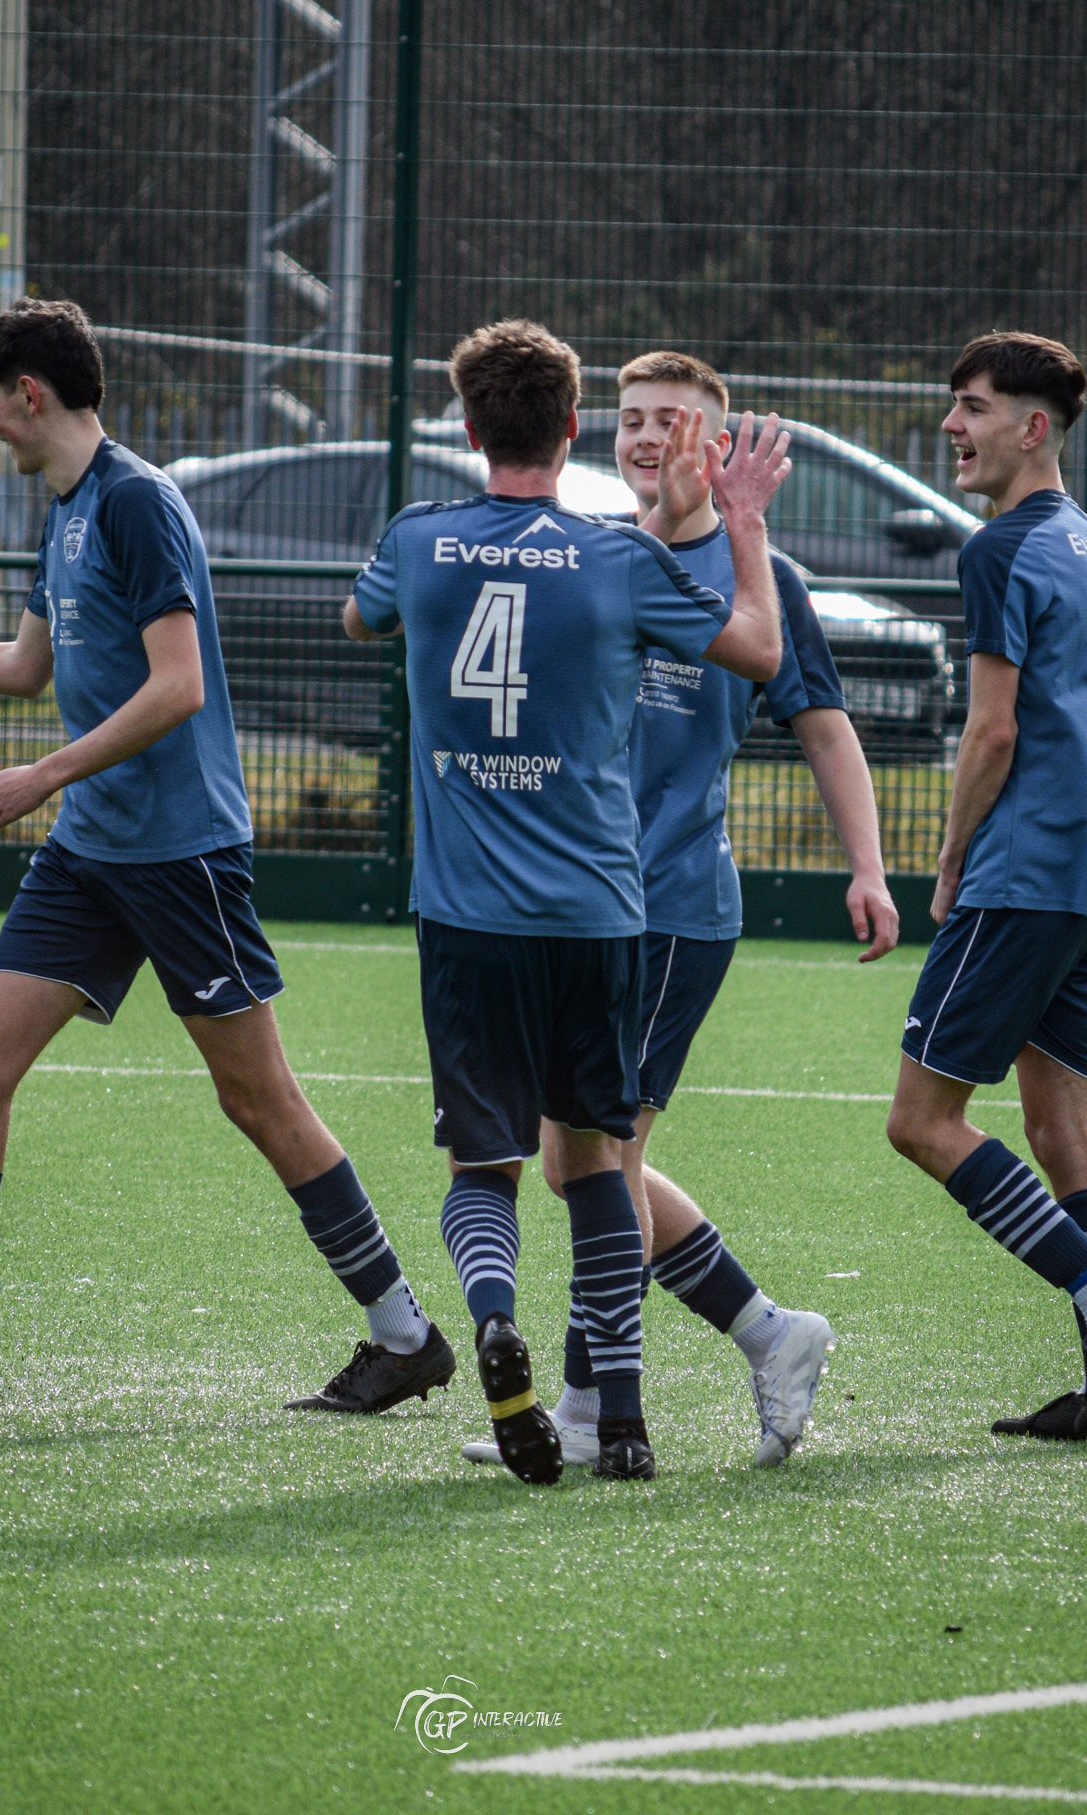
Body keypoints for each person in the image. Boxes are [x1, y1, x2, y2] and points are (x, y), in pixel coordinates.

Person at [0, 298, 451, 1410]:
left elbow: (177, 687)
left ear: (30, 394)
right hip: (90, 854)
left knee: (259, 1100)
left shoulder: (138, 502)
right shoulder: (67, 509)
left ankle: (403, 1332)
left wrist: (42, 776)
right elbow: (28, 668)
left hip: (181, 854)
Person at [345, 319, 788, 1482]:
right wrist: (738, 517)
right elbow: (752, 645)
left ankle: (494, 1317)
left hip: (467, 917)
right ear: (576, 428)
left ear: (469, 426)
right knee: (598, 1164)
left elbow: (358, 616)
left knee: (482, 1170)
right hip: (600, 914)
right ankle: (625, 1421)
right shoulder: (615, 556)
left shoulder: (416, 540)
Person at [463, 351, 900, 1476]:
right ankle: (766, 1332)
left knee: (598, 1160)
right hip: (576, 906)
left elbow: (821, 725)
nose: (646, 436)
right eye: (629, 418)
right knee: (579, 1165)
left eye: (671, 421)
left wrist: (867, 867)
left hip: (669, 910)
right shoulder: (591, 555)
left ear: (716, 446)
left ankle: (586, 1404)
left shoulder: (758, 578)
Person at [883, 332, 1087, 1444]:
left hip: (1021, 877)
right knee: (1063, 1133)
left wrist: (950, 854)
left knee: (921, 1121)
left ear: (1031, 426)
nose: (951, 427)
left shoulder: (1000, 546)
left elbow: (991, 728)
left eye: (970, 407)